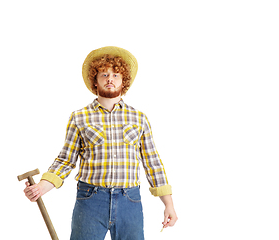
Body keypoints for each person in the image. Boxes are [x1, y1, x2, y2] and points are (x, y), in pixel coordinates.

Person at [24, 46, 178, 240]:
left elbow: (153, 163)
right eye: (104, 74)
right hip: (90, 200)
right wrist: (41, 187)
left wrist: (169, 205)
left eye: (115, 75)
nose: (110, 79)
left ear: (124, 81)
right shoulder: (79, 117)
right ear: (95, 81)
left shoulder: (139, 118)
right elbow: (65, 160)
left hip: (129, 201)